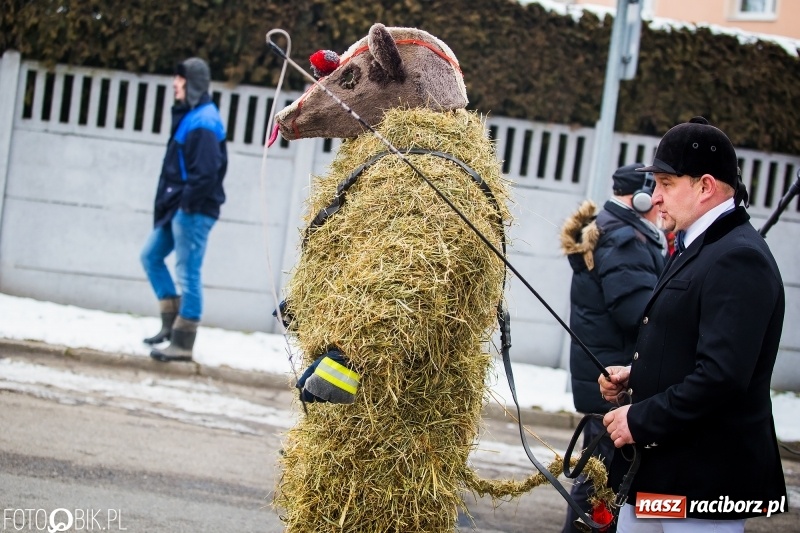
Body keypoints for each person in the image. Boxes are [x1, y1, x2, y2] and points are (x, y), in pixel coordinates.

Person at [600, 117, 787, 532]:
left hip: (702, 487)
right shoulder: (698, 243)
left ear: (705, 186)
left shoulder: (739, 257)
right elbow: (687, 342)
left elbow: (722, 376)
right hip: (660, 478)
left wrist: (638, 419)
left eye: (666, 183)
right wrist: (638, 376)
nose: (655, 197)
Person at [559, 163, 667, 533]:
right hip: (615, 381)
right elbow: (636, 313)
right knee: (600, 487)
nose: (660, 200)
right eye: (657, 190)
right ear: (639, 196)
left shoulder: (616, 230)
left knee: (600, 482)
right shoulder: (625, 240)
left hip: (609, 375)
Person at [140, 57, 227, 362]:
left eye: (180, 79)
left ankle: (183, 342)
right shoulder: (192, 115)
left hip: (192, 210)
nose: (175, 84)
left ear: (193, 84)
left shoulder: (204, 121)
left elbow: (205, 174)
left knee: (188, 273)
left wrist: (186, 208)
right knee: (150, 256)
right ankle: (170, 325)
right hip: (177, 208)